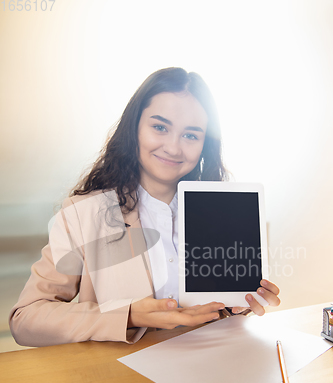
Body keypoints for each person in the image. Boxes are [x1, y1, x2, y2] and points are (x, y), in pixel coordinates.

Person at [9, 67, 280, 347]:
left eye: (191, 135)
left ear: (204, 145)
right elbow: (27, 319)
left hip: (210, 367)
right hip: (123, 379)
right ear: (134, 128)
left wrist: (239, 304)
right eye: (160, 127)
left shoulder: (221, 211)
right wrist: (128, 315)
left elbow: (215, 311)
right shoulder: (84, 213)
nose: (174, 148)